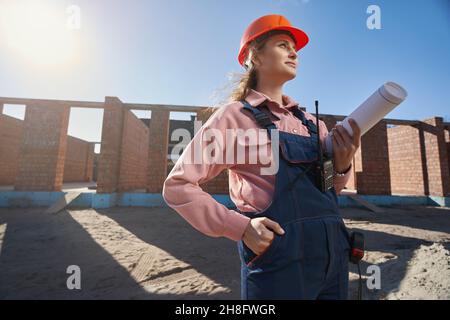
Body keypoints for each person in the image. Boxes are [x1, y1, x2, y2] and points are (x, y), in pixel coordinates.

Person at [162, 14, 361, 299]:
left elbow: (328, 190)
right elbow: (178, 186)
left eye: (295, 48)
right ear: (254, 57)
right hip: (278, 259)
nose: (294, 53)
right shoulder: (235, 117)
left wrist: (341, 166)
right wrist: (240, 227)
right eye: (283, 45)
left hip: (334, 258)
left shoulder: (314, 124)